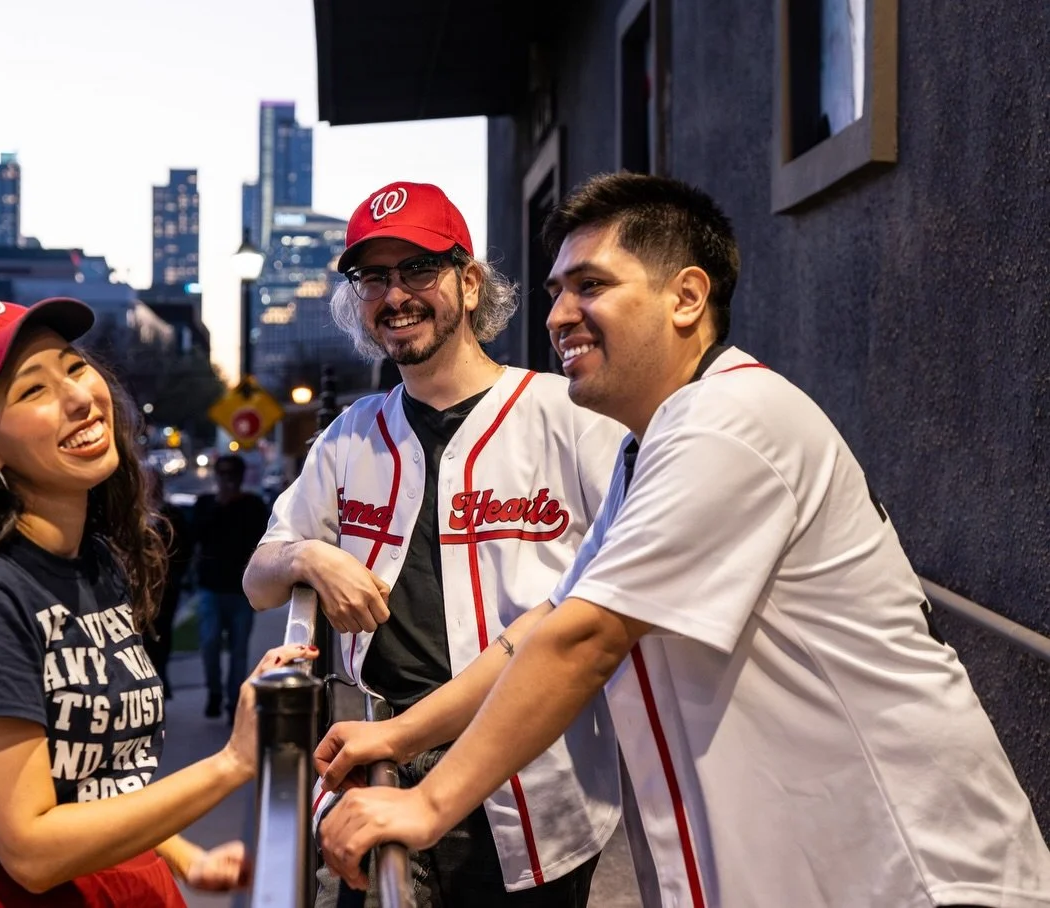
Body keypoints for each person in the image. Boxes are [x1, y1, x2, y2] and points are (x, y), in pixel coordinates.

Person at [317, 173, 1050, 908]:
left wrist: (427, 804)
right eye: (556, 292)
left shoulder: (731, 420)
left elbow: (585, 637)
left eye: (591, 285)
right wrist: (399, 737)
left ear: (687, 297)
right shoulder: (653, 447)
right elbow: (542, 625)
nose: (560, 316)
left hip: (912, 877)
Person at [0, 296, 313, 907]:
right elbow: (31, 849)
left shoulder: (95, 562)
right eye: (32, 390)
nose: (79, 398)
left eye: (73, 366)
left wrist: (184, 856)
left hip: (121, 881)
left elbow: (95, 781)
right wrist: (233, 761)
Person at [243, 182, 628, 906]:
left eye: (418, 268)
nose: (396, 295)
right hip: (380, 768)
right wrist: (309, 556)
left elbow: (607, 605)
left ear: (470, 280)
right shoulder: (351, 433)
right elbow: (259, 577)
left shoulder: (567, 416)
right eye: (374, 277)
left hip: (534, 778)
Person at [190, 454, 269, 722]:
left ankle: (233, 702)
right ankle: (214, 691)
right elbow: (197, 535)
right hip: (210, 588)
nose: (227, 480)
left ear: (240, 476)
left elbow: (260, 540)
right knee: (209, 642)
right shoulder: (205, 503)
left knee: (239, 650)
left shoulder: (253, 505)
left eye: (232, 474)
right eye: (222, 474)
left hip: (240, 590)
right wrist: (219, 506)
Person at [145, 465, 194, 697]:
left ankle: (160, 676)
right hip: (137, 590)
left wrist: (176, 576)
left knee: (162, 633)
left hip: (165, 588)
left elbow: (184, 548)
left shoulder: (171, 516)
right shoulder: (130, 514)